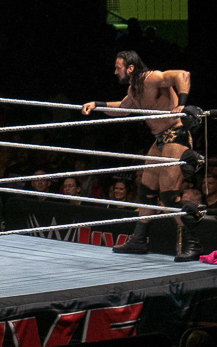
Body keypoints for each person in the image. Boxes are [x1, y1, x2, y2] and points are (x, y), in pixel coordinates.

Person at [81, 51, 200, 260]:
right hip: (160, 139)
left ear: (130, 68)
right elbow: (123, 108)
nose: (115, 72)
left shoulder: (151, 78)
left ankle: (192, 243)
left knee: (169, 196)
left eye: (118, 67)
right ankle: (139, 240)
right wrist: (97, 104)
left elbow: (183, 74)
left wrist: (181, 104)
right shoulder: (134, 90)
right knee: (145, 191)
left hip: (176, 134)